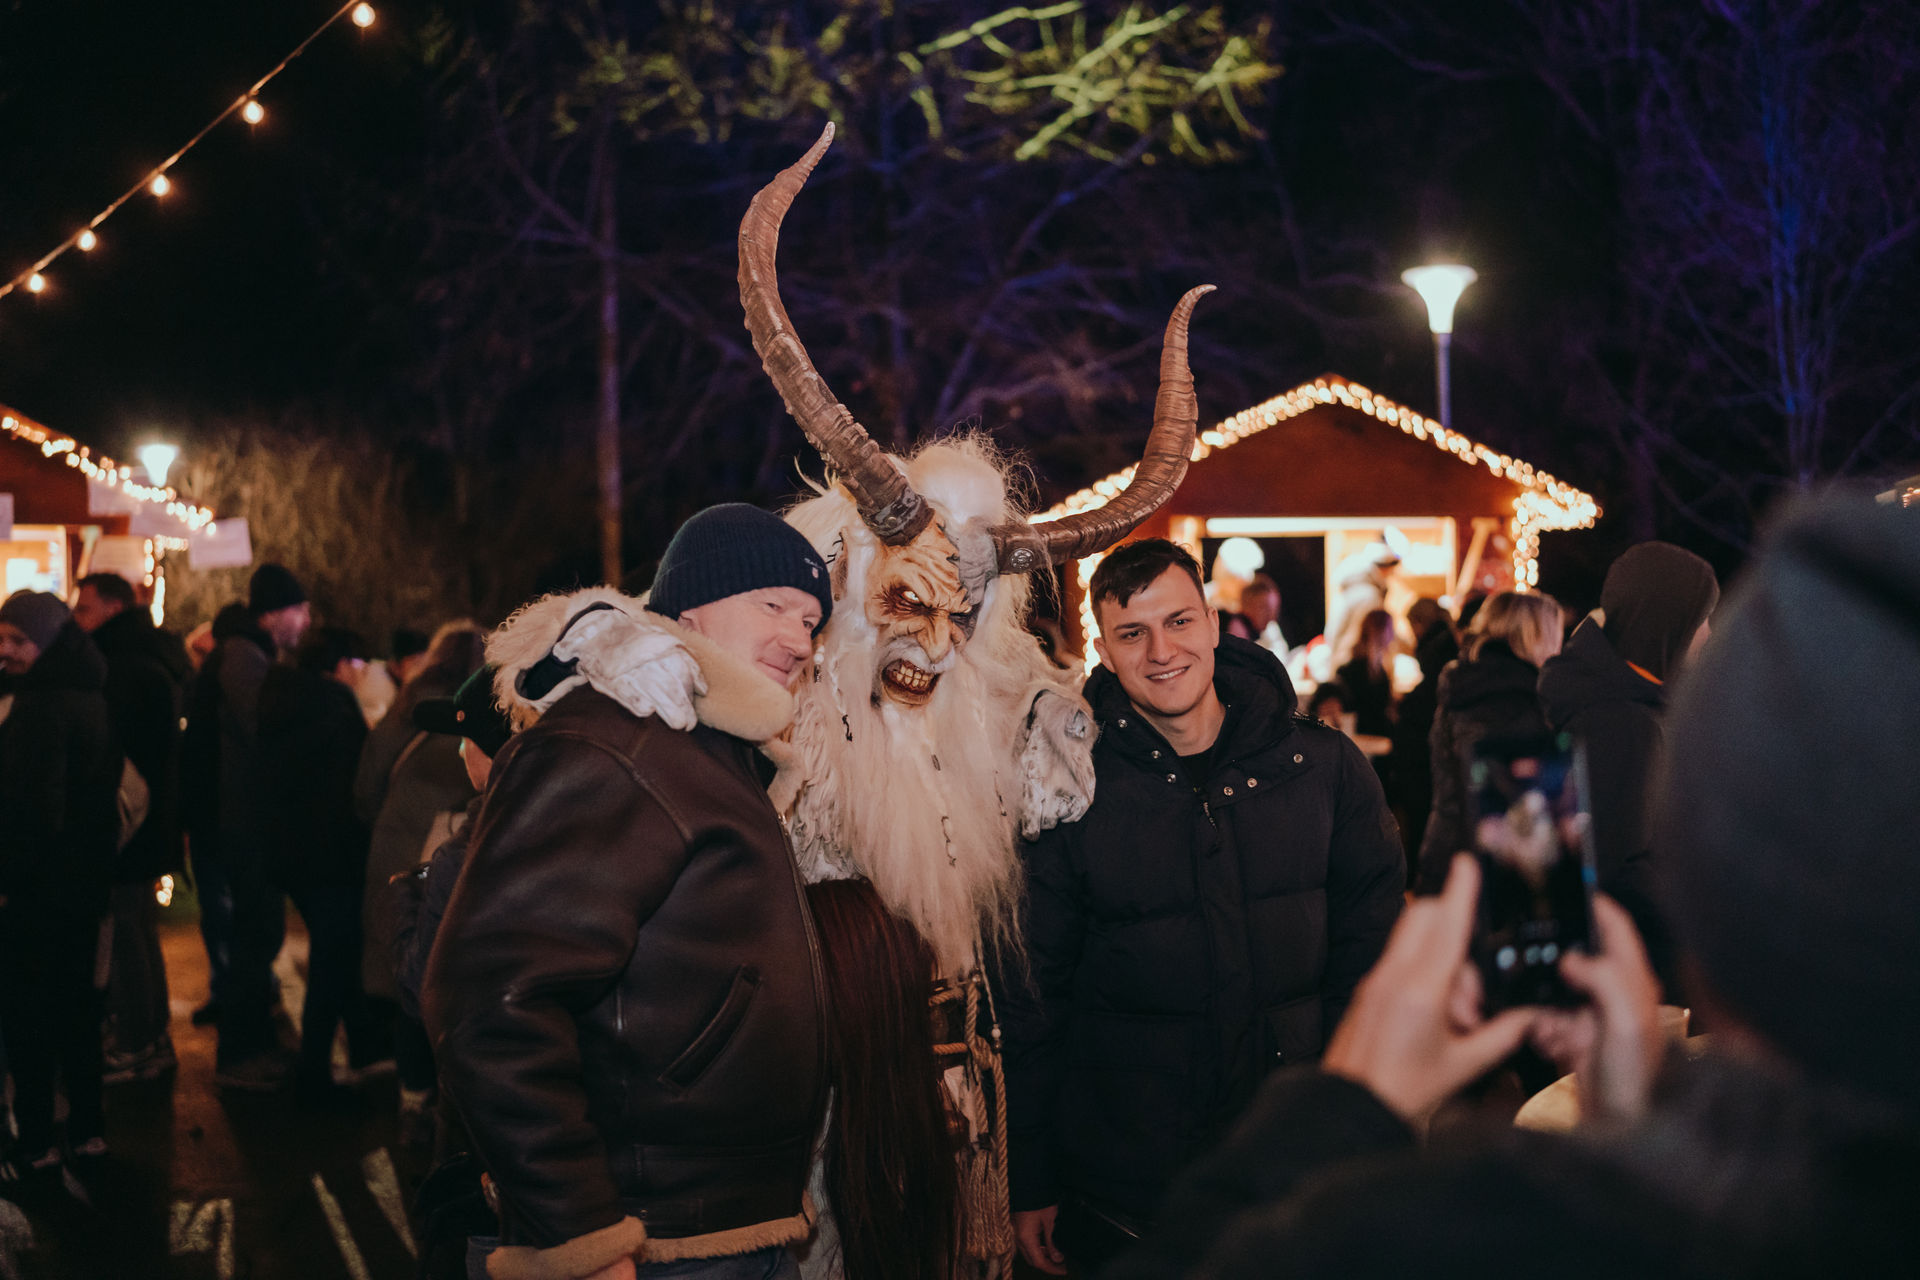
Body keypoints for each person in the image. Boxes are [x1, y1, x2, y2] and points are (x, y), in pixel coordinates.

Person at [1107, 494, 1920, 1279]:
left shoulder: (1462, 1234)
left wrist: (1347, 1102)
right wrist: (1635, 1128)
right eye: (1133, 632)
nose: (1161, 649)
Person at [425, 503, 836, 1280]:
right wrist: (582, 1235)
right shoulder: (619, 740)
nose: (798, 640)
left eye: (812, 621)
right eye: (772, 606)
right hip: (651, 1242)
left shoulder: (708, 752)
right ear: (690, 611)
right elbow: (492, 999)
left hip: (724, 1230)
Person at [997, 539, 1404, 1276]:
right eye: (1132, 633)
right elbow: (1034, 994)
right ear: (1103, 651)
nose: (1161, 651)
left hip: (1295, 1161)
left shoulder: (1321, 768)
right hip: (1127, 1183)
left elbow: (1371, 963)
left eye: (1179, 621)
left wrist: (1358, 1129)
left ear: (1214, 624)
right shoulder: (1068, 787)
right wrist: (1031, 1173)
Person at [1538, 542, 1716, 993]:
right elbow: (1620, 863)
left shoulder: (1629, 705)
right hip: (1643, 968)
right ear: (1668, 621)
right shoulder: (1623, 723)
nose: (1708, 634)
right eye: (1702, 619)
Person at [0, 591, 121, 1187]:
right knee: (78, 1012)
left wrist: (9, 882)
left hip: (36, 891)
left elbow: (32, 813)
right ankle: (89, 1130)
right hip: (83, 886)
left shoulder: (40, 706)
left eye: (18, 641)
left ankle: (37, 1140)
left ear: (46, 645)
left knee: (27, 1017)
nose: (5, 651)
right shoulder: (90, 692)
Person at [181, 563, 314, 1089]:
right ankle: (242, 1055)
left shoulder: (244, 650)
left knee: (256, 931)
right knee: (256, 933)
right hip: (240, 819)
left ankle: (252, 1045)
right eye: (299, 610)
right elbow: (265, 725)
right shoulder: (243, 655)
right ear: (274, 614)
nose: (305, 621)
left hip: (235, 817)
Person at [355, 620, 486, 1131]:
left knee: (408, 963)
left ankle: (412, 1096)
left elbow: (366, 783)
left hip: (394, 846)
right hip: (449, 850)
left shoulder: (405, 705)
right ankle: (439, 1099)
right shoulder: (480, 713)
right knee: (440, 970)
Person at [72, 571, 191, 1083]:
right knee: (137, 930)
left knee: (125, 935)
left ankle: (138, 1043)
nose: (78, 619)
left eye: (85, 608)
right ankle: (150, 1036)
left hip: (128, 821)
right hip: (151, 821)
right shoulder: (149, 656)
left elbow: (114, 754)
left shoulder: (119, 667)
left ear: (113, 609)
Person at [258, 627, 385, 1100]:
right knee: (334, 956)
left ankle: (364, 1044)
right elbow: (354, 788)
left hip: (290, 850)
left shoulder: (283, 700)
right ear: (340, 666)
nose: (362, 675)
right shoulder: (335, 708)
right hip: (330, 853)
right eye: (358, 665)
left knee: (336, 950)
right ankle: (314, 1070)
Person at [1415, 591, 1563, 895]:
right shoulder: (1517, 699)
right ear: (1535, 637)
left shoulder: (1463, 686)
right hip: (1487, 873)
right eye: (1555, 637)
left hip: (1443, 852)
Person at [1387, 597, 1459, 871]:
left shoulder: (1436, 646)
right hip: (1425, 745)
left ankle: (1418, 871)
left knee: (1420, 813)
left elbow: (1432, 692)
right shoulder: (1445, 641)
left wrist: (1405, 707)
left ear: (1419, 623)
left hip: (1421, 750)